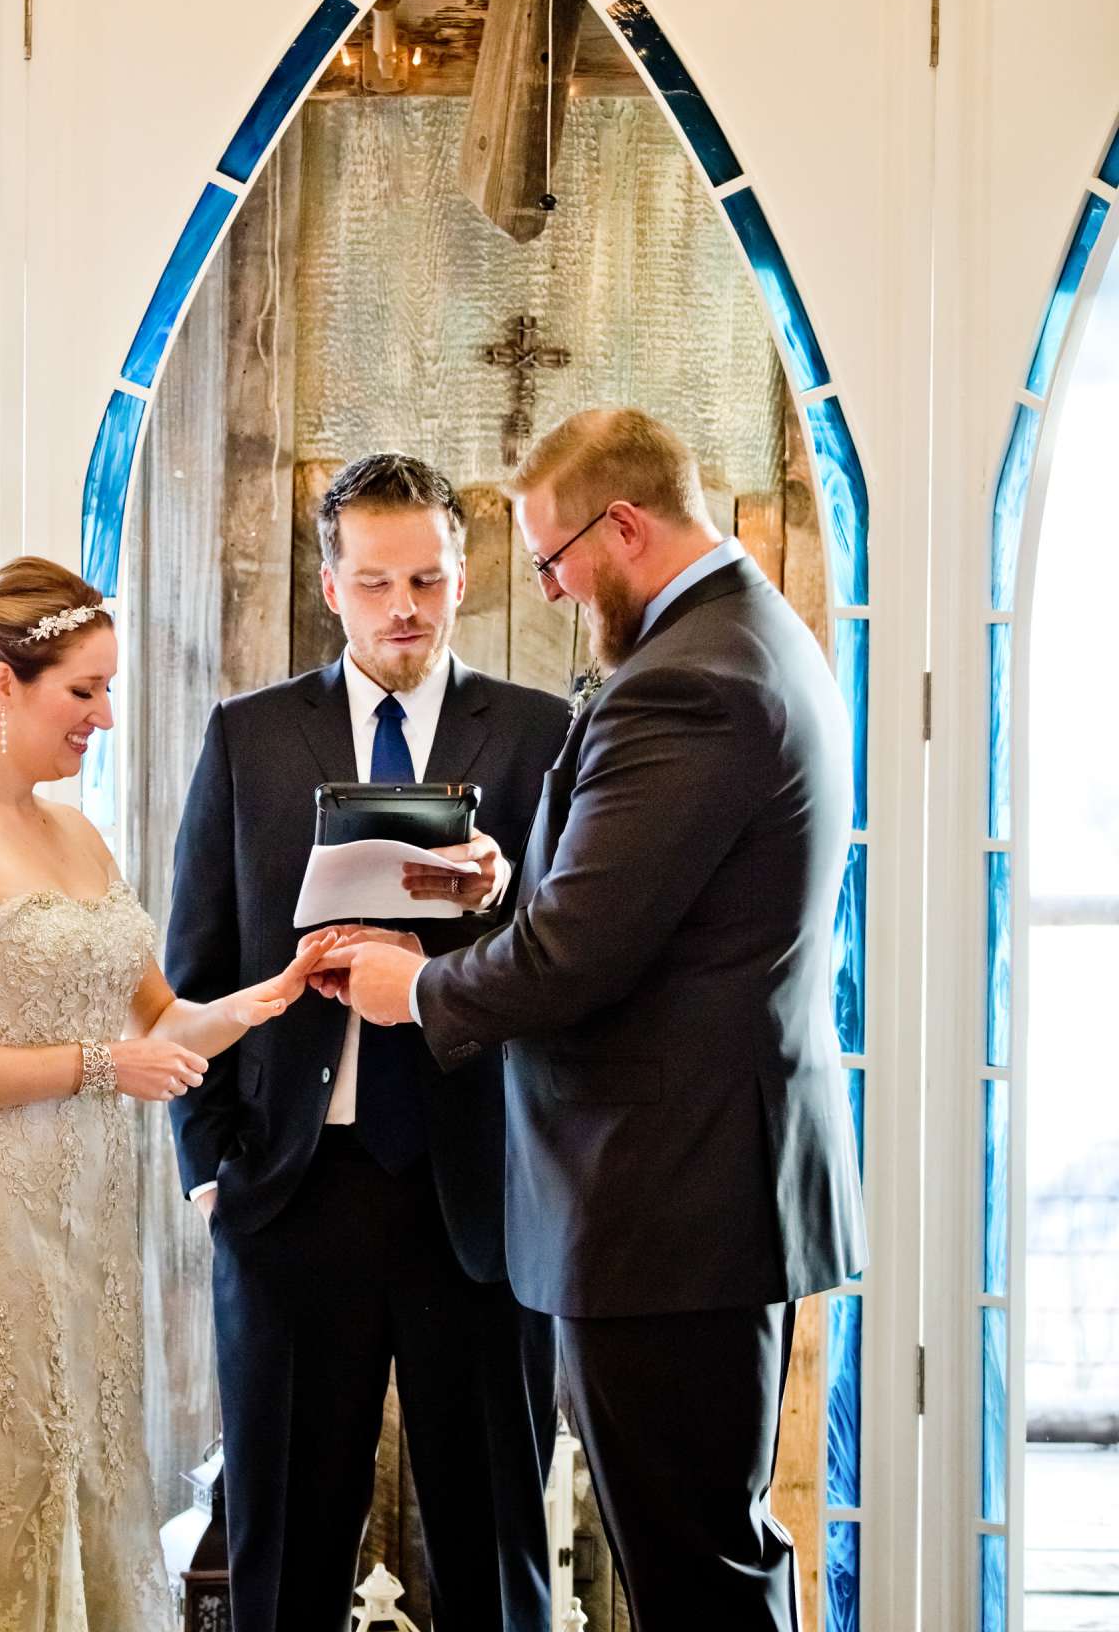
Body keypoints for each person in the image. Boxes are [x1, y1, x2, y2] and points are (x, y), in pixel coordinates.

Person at [334, 407, 867, 1632]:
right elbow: (648, 906)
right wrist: (507, 883)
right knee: (713, 1550)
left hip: (664, 1198)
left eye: (551, 559)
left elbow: (576, 958)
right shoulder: (745, 639)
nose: (556, 589)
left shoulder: (688, 680)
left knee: (694, 1576)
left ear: (620, 525)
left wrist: (410, 987)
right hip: (702, 1185)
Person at [0, 558, 333, 1632]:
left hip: (90, 1220)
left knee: (81, 1460)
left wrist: (273, 994)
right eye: (82, 691)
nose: (104, 716)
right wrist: (98, 1068)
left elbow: (161, 1025)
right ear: (2, 685)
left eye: (108, 689)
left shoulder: (76, 835)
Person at [165, 454, 569, 1632]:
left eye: (430, 581)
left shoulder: (542, 733)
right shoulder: (249, 737)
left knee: (497, 1555)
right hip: (292, 1190)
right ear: (330, 586)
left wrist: (498, 894)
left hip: (480, 1196)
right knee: (283, 1556)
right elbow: (198, 961)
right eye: (380, 581)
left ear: (464, 578)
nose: (407, 608)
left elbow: (571, 958)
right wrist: (209, 1167)